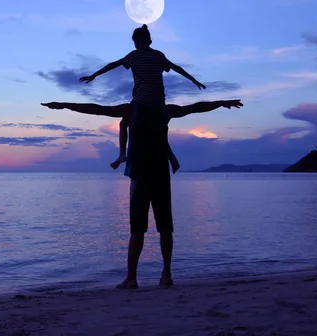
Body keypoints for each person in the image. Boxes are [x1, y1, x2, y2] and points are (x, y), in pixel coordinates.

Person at [41, 98, 243, 289]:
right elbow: (98, 109)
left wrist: (220, 103)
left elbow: (193, 108)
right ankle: (151, 276)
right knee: (152, 228)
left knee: (153, 227)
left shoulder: (142, 110)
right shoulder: (153, 110)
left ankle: (148, 277)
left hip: (147, 176)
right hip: (150, 175)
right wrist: (65, 105)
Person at [79, 24, 207, 173]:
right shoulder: (159, 55)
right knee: (158, 130)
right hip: (159, 100)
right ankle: (172, 158)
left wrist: (94, 75)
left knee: (124, 123)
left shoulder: (134, 55)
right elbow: (176, 67)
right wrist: (193, 80)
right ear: (150, 41)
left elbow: (114, 65)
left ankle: (121, 155)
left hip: (142, 100)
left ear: (138, 41)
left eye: (135, 42)